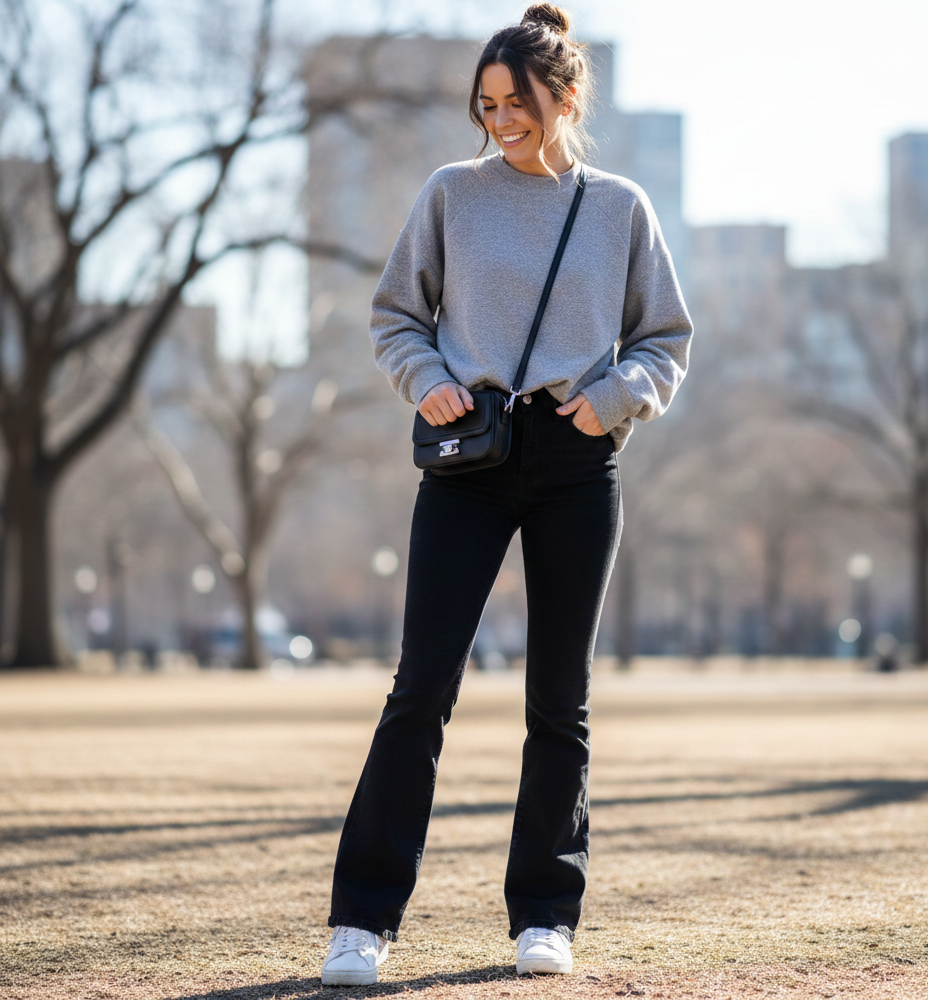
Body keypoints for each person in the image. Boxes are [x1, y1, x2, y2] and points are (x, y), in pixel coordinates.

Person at [321, 3, 693, 986]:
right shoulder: (451, 193)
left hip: (575, 457)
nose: (499, 120)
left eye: (516, 102)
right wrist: (425, 377)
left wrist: (611, 398)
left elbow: (665, 337)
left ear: (564, 99)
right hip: (468, 454)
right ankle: (361, 918)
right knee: (421, 688)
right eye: (485, 105)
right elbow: (398, 313)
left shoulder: (619, 207)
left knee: (557, 702)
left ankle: (544, 915)